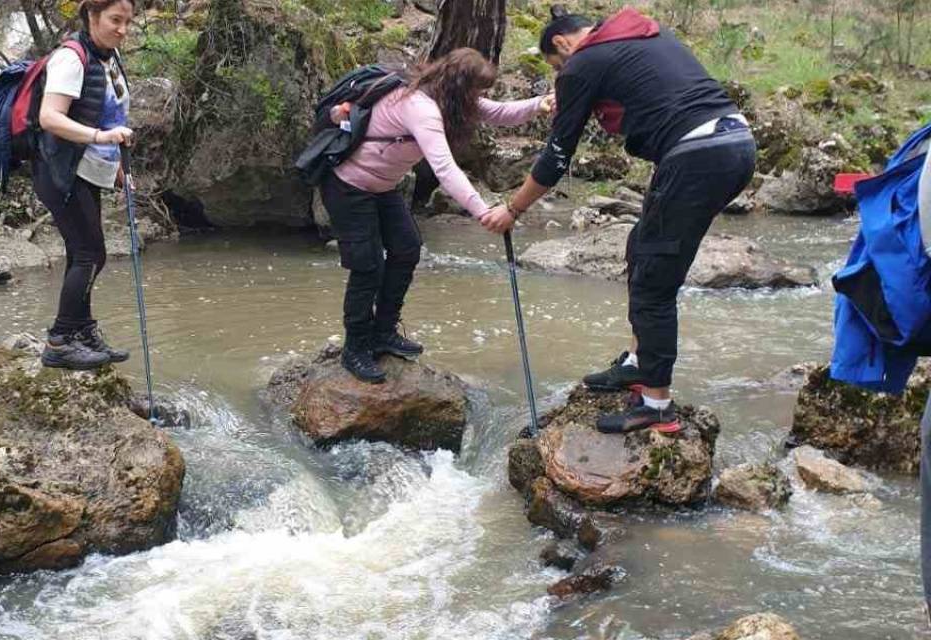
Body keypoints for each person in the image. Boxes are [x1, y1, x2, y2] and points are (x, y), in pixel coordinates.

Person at [481, 5, 756, 433]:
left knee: (654, 281)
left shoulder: (584, 61)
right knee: (641, 247)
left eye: (558, 66)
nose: (562, 72)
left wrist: (513, 209)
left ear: (561, 43)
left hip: (697, 154)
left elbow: (557, 155)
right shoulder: (641, 36)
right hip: (733, 143)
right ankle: (637, 362)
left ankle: (655, 405)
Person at [322, 48, 553, 383]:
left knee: (406, 249)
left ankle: (383, 332)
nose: (480, 98)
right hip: (348, 185)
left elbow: (501, 112)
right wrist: (482, 211)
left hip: (382, 186)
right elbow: (444, 169)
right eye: (477, 90)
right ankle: (355, 347)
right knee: (368, 264)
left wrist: (539, 103)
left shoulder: (449, 98)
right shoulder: (420, 106)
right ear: (460, 85)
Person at [33, 0, 137, 370]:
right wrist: (102, 136)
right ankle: (61, 340)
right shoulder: (71, 58)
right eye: (114, 20)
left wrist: (119, 170)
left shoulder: (108, 57)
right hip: (60, 171)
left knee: (87, 253)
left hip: (88, 171)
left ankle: (81, 331)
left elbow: (108, 110)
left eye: (128, 21)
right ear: (92, 17)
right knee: (90, 254)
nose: (122, 29)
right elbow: (50, 117)